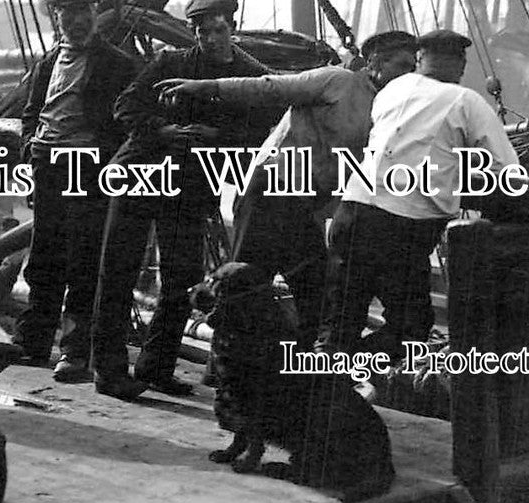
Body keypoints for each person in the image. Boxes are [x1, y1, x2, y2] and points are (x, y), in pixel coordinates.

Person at [153, 31, 419, 347]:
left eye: (413, 67)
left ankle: (300, 363)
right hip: (269, 191)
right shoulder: (337, 81)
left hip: (303, 204)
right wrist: (207, 88)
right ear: (376, 61)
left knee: (315, 291)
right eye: (403, 65)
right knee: (244, 284)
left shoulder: (389, 106)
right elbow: (269, 87)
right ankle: (226, 362)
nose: (409, 74)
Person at [92, 0, 281, 400]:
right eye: (201, 31)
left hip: (191, 186)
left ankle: (156, 368)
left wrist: (218, 136)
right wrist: (163, 130)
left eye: (217, 30)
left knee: (181, 280)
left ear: (232, 28)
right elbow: (125, 106)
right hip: (139, 172)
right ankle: (108, 371)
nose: (209, 39)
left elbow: (263, 133)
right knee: (118, 272)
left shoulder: (250, 76)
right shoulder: (170, 63)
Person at [321, 30, 520, 357]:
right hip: (404, 228)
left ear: (419, 59)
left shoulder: (392, 89)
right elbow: (506, 170)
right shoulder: (466, 100)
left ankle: (331, 376)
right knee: (410, 330)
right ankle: (366, 372)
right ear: (461, 63)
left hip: (352, 213)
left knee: (341, 324)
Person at [14, 0, 140, 384]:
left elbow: (129, 119)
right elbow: (31, 113)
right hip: (47, 165)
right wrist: (30, 148)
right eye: (68, 14)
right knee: (44, 255)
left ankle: (74, 351)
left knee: (83, 258)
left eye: (84, 12)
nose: (76, 21)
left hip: (87, 168)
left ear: (95, 15)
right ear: (57, 19)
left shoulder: (117, 64)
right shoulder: (47, 63)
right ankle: (33, 341)